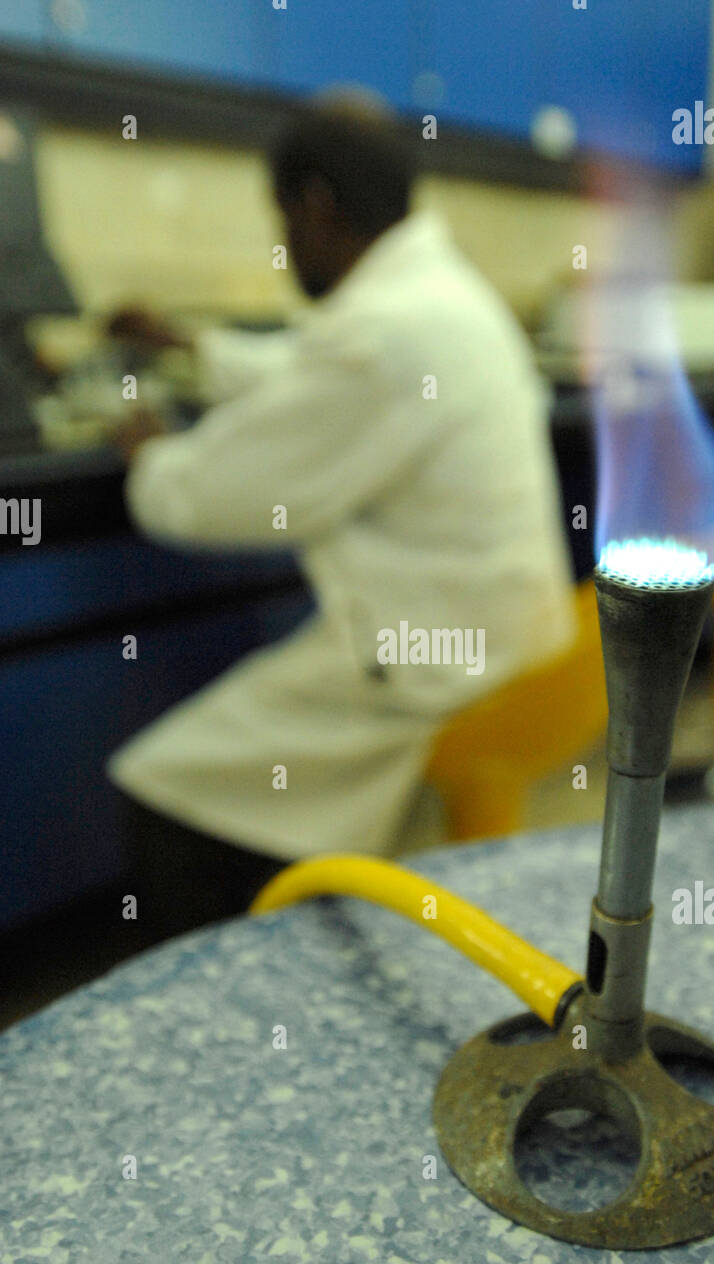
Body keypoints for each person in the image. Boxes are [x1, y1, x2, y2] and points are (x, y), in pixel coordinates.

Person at [107, 98, 575, 935]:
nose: (285, 246)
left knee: (166, 783)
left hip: (435, 669)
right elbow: (315, 377)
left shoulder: (387, 329)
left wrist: (148, 456)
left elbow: (219, 496)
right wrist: (192, 349)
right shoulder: (437, 295)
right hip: (519, 641)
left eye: (282, 220)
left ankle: (221, 1008)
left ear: (316, 204)